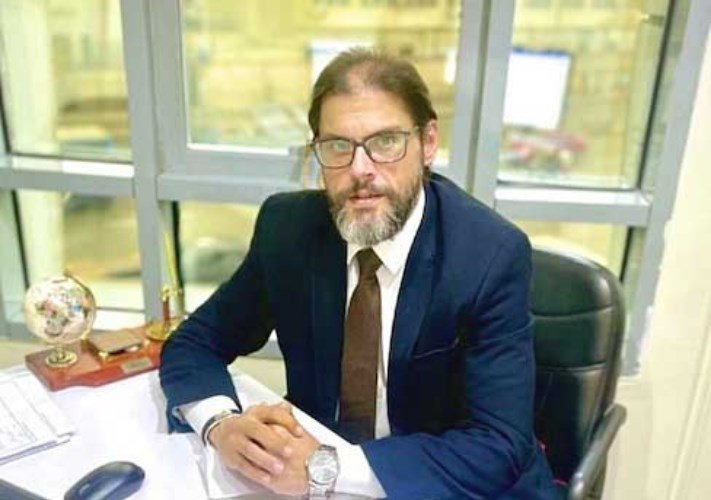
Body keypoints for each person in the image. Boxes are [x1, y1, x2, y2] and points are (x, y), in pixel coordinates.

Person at [160, 48, 556, 499]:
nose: (359, 169)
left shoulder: (488, 255)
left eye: (385, 142)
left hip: (444, 486)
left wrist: (327, 467)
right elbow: (196, 342)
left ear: (428, 143)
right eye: (337, 146)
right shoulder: (288, 229)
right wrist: (220, 424)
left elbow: (496, 446)